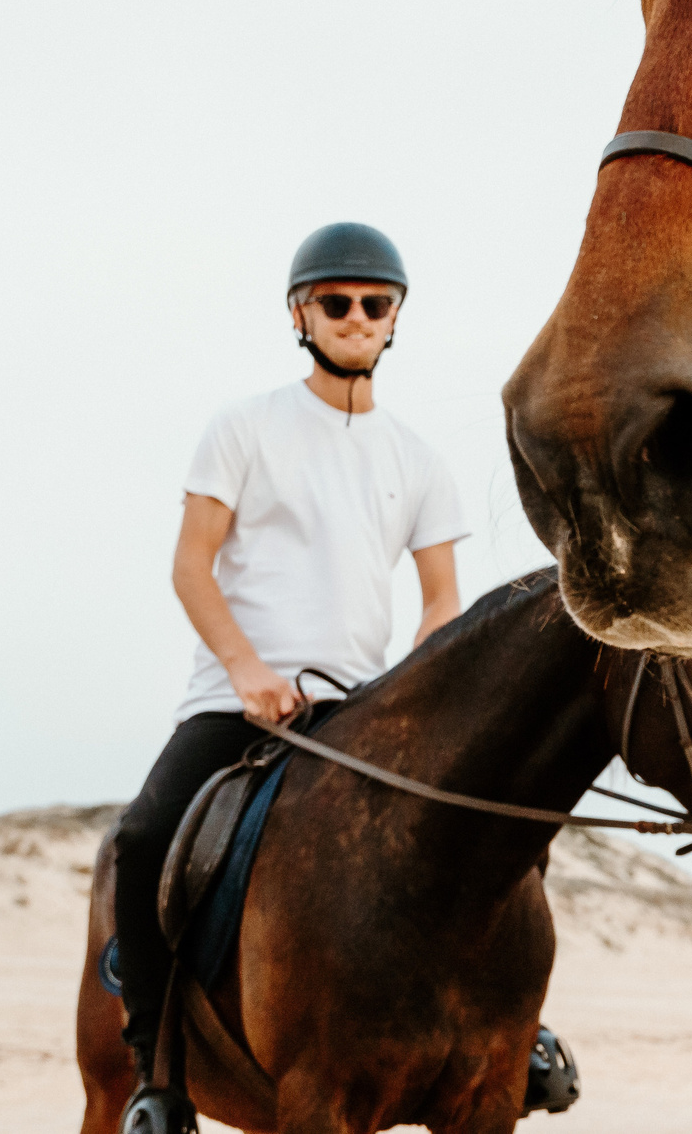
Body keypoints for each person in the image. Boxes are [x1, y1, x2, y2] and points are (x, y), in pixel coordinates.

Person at [111, 222, 473, 1134]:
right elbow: (191, 566)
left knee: (482, 839)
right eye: (336, 302)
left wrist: (402, 696)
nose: (356, 316)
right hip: (240, 701)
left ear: (395, 320)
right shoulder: (244, 427)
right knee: (144, 833)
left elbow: (441, 604)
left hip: (360, 710)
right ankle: (156, 1068)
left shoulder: (422, 460)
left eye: (374, 303)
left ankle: (514, 1031)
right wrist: (246, 670)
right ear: (301, 314)